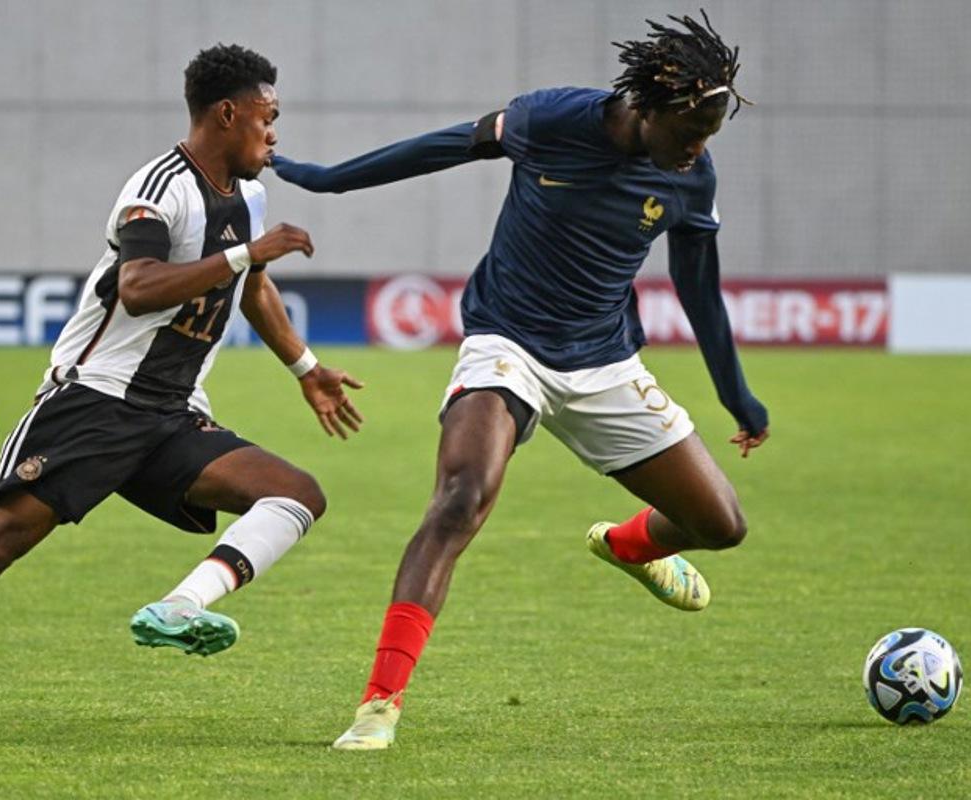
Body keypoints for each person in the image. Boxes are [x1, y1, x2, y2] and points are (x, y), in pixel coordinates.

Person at [0, 43, 364, 740]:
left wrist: (307, 369)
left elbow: (252, 290)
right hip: (93, 403)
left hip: (171, 417)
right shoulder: (155, 189)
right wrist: (247, 254)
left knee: (296, 492)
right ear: (226, 113)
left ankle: (181, 607)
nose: (274, 134)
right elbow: (139, 285)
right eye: (267, 118)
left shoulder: (249, 197)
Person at [271, 11, 769, 750]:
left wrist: (736, 393)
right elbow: (442, 148)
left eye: (708, 138)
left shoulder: (691, 176)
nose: (696, 151)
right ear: (651, 108)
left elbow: (700, 288)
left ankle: (628, 548)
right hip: (507, 344)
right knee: (461, 497)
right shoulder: (551, 119)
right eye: (690, 133)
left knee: (721, 526)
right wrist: (330, 181)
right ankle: (379, 704)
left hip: (605, 362)